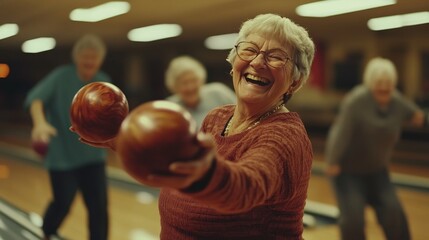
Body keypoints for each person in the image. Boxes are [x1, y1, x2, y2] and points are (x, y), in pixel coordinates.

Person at [81, 13, 315, 239]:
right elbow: (180, 172)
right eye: (249, 50)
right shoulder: (216, 118)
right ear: (234, 63)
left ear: (294, 81)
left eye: (276, 56)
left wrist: (206, 173)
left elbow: (245, 187)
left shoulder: (285, 137)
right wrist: (127, 142)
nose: (257, 61)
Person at [324, 57, 427, 240]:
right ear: (370, 83)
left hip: (378, 171)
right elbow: (341, 133)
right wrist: (332, 161)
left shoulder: (396, 100)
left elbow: (417, 115)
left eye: (388, 83)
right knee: (353, 220)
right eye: (379, 83)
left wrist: (420, 118)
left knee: (394, 213)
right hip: (348, 172)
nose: (384, 87)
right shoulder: (356, 101)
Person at [24, 34, 110, 240]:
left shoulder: (104, 81)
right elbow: (35, 99)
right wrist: (40, 123)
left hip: (93, 157)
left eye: (94, 57)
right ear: (76, 57)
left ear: (101, 59)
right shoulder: (61, 76)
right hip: (62, 156)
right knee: (63, 202)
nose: (90, 61)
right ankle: (47, 232)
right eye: (85, 56)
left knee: (99, 207)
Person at [165, 55, 236, 129]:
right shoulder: (170, 108)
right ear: (174, 86)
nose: (190, 87)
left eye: (194, 80)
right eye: (184, 83)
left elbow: (242, 113)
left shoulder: (218, 93)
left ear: (201, 80)